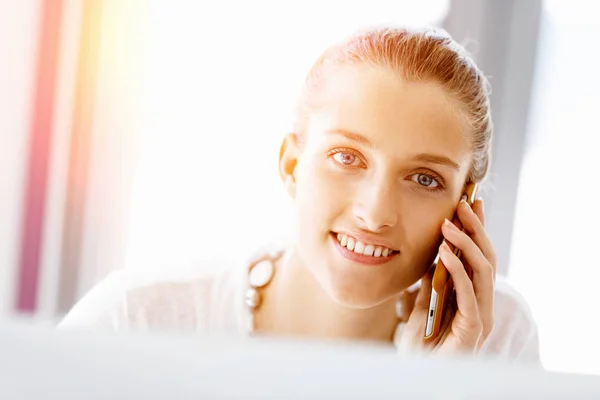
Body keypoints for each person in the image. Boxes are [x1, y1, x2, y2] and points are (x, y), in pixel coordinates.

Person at [58, 26, 540, 364]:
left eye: (425, 179)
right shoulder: (133, 322)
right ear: (292, 164)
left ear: (466, 204)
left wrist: (431, 388)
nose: (374, 214)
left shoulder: (496, 341)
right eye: (347, 157)